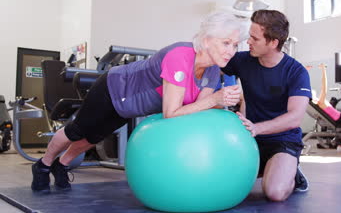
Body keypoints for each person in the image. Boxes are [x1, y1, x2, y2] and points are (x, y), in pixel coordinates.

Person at [31, 12, 245, 193]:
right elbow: (172, 113)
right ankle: (43, 165)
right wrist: (215, 99)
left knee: (92, 138)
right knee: (77, 131)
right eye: (226, 43)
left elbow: (199, 109)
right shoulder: (180, 56)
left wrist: (223, 103)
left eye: (235, 45)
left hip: (128, 107)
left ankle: (62, 165)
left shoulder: (213, 71)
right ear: (207, 40)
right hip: (112, 88)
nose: (231, 51)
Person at [222, 10, 312, 202]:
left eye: (255, 38)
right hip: (249, 139)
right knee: (222, 180)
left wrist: (257, 128)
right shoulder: (242, 61)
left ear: (273, 43)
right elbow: (213, 66)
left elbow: (295, 117)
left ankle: (292, 173)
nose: (249, 42)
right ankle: (271, 168)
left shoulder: (296, 72)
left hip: (282, 140)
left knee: (275, 192)